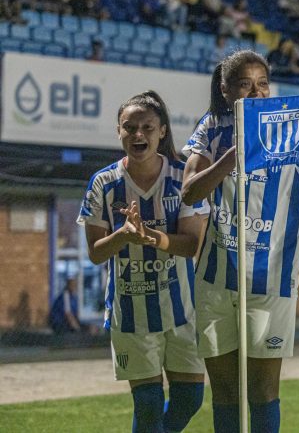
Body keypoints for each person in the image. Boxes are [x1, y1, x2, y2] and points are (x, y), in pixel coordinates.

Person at [181, 52, 299, 433]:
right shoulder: (211, 127)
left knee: (263, 390)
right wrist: (229, 160)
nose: (256, 92)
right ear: (225, 90)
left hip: (271, 284)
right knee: (223, 390)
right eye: (244, 85)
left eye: (263, 83)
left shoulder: (290, 131)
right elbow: (189, 192)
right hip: (215, 282)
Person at [78, 90, 209, 433]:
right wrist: (123, 236)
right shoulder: (103, 184)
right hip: (131, 312)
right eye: (129, 127)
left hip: (183, 310)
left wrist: (150, 236)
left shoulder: (182, 178)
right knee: (149, 405)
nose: (138, 134)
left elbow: (192, 244)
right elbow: (95, 253)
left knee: (189, 399)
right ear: (118, 132)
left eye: (147, 127)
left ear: (162, 131)